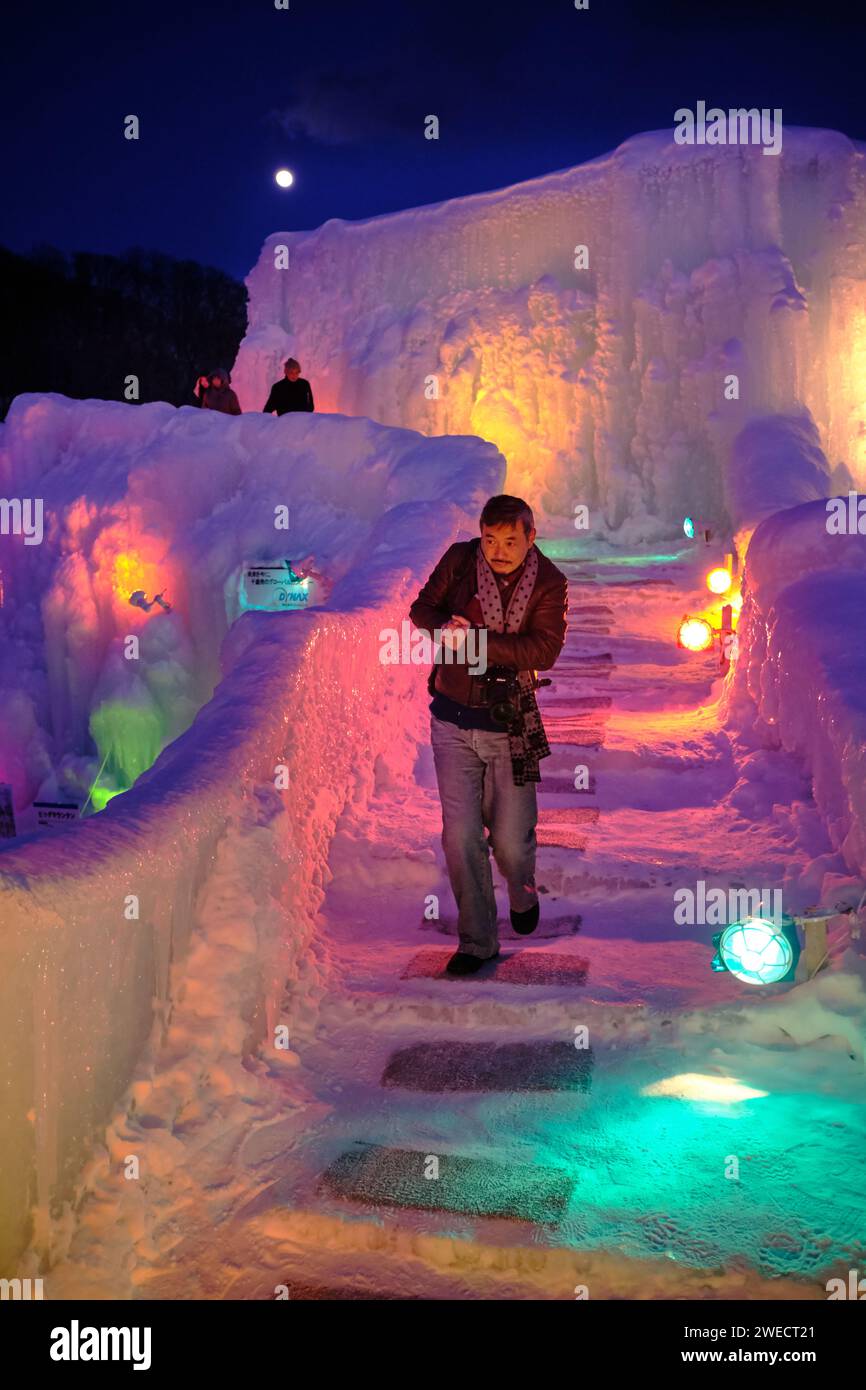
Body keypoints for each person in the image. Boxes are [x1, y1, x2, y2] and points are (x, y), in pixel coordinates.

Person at [409, 495, 568, 976]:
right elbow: (422, 610)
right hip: (452, 720)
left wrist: (475, 641)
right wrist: (444, 624)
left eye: (510, 542)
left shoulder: (549, 582)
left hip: (510, 724)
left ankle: (521, 890)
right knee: (460, 837)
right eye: (490, 540)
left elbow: (544, 649)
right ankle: (477, 941)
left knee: (511, 842)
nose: (498, 551)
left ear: (530, 538)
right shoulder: (460, 561)